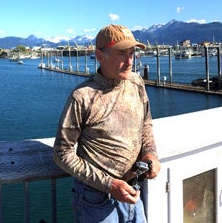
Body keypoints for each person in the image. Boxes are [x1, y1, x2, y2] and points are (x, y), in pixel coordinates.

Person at [53, 24, 160, 223]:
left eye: (132, 53)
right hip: (97, 201)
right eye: (121, 53)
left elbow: (145, 123)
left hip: (132, 191)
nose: (130, 61)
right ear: (100, 56)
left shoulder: (136, 83)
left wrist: (150, 154)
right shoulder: (82, 97)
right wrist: (110, 184)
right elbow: (62, 153)